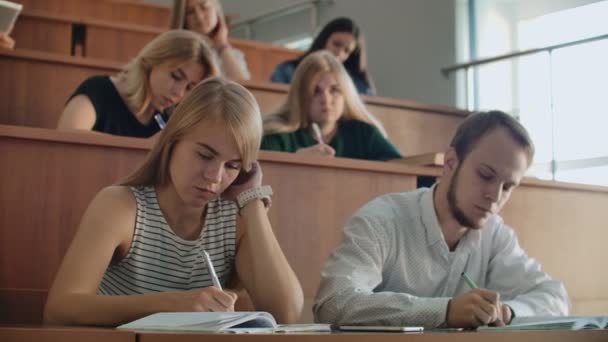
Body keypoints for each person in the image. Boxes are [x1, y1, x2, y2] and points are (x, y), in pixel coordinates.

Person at [44, 77, 304, 326]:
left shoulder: (234, 219)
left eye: (233, 165)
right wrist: (169, 304)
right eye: (204, 155)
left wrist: (253, 203)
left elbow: (287, 313)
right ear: (172, 141)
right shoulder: (121, 205)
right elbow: (60, 310)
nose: (215, 177)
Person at [314, 111, 570, 329]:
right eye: (485, 175)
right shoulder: (381, 220)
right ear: (450, 162)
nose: (494, 196)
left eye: (507, 187)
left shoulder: (494, 234)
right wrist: (444, 311)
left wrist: (507, 312)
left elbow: (555, 297)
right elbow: (333, 303)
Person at [57, 29, 218, 138]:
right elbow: (67, 134)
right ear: (152, 62)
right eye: (176, 76)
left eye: (190, 87)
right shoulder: (99, 89)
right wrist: (145, 147)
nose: (179, 93)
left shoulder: (169, 119)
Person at [262, 51, 401, 162]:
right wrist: (294, 163)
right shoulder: (276, 137)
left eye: (334, 90)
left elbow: (402, 171)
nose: (326, 99)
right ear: (301, 96)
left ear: (345, 94)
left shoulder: (364, 133)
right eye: (316, 91)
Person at [271, 17, 375, 96]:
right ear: (324, 40)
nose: (339, 53)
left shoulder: (358, 84)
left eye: (347, 51)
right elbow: (276, 102)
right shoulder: (287, 71)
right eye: (336, 44)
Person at [171, 0, 250, 81]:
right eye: (190, 12)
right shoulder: (178, 53)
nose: (199, 17)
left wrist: (222, 46)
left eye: (204, 7)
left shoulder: (235, 54)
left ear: (217, 9)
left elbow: (243, 88)